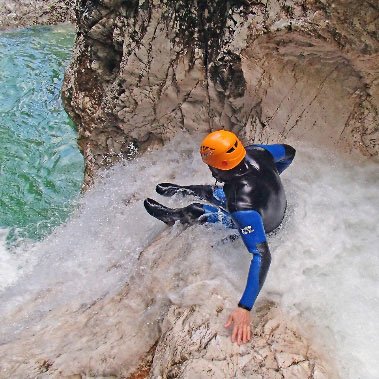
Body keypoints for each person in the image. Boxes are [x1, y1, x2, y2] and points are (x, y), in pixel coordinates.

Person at [144, 130, 296, 345]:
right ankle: (181, 190)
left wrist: (244, 307)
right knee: (212, 191)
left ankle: (173, 217)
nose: (210, 169)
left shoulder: (240, 206)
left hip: (264, 222)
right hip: (269, 206)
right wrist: (274, 174)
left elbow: (262, 256)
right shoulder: (258, 152)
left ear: (222, 165)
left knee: (198, 209)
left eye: (211, 166)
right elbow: (290, 152)